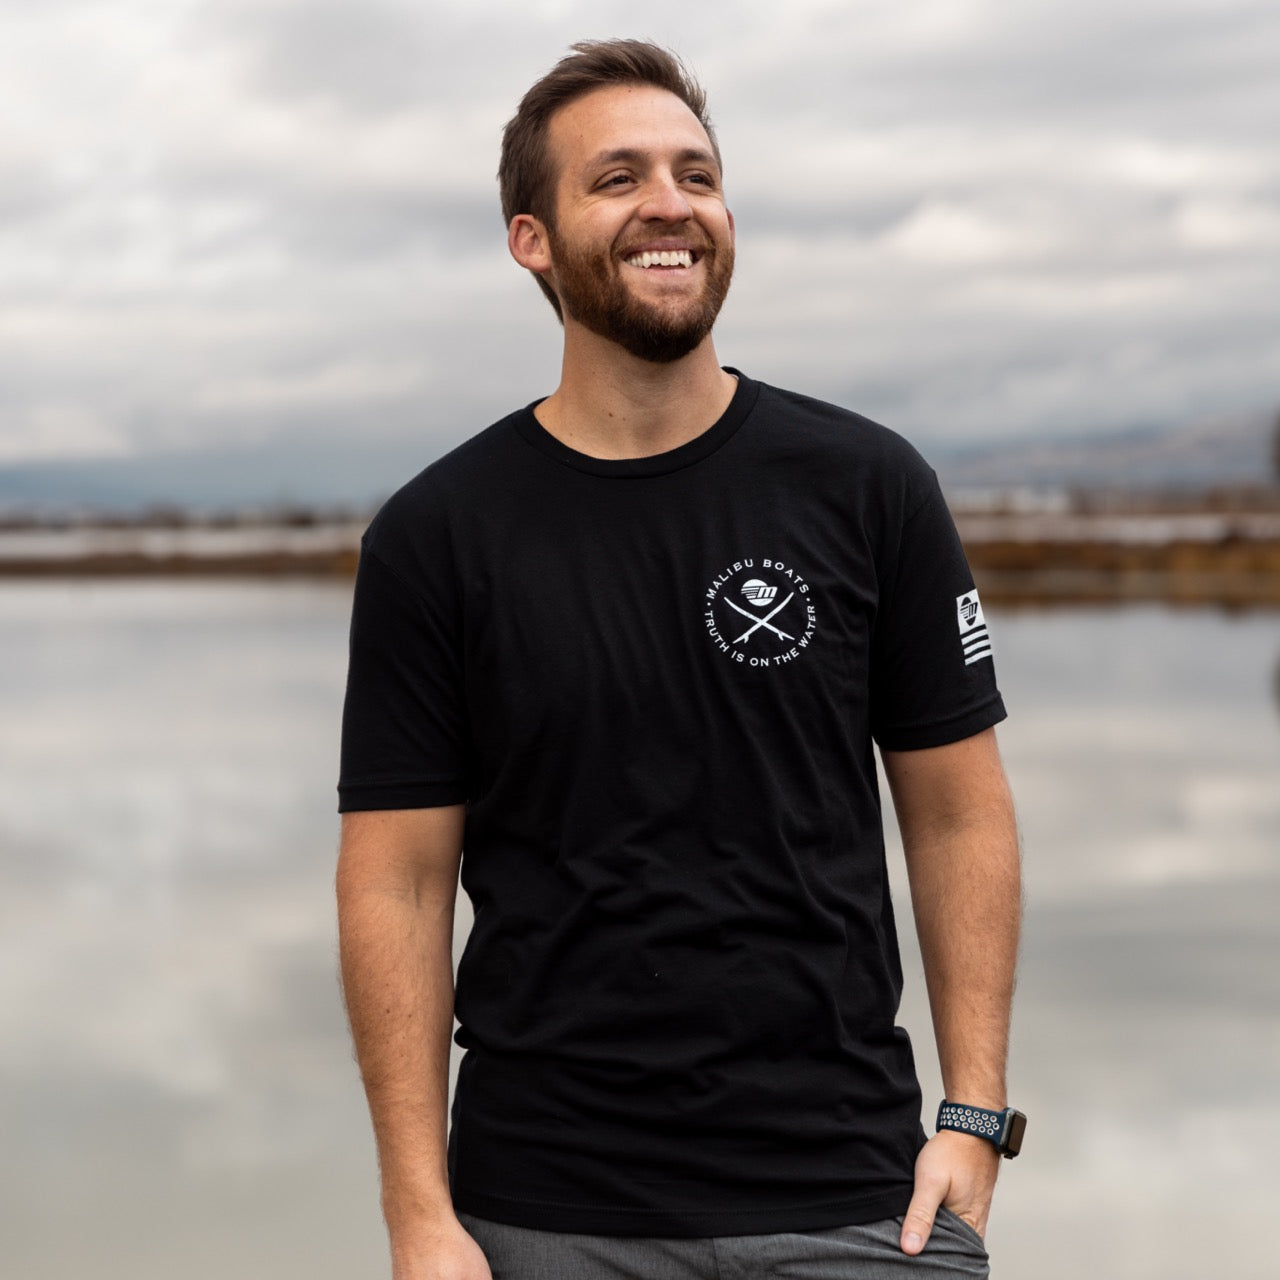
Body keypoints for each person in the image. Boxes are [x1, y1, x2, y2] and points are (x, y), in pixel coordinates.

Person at [336, 38, 1023, 1280]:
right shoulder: (437, 536)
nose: (670, 202)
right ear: (529, 238)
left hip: (858, 1201)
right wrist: (415, 1214)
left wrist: (973, 1116)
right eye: (618, 178)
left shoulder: (868, 486)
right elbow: (397, 885)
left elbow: (959, 815)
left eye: (695, 173)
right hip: (541, 1214)